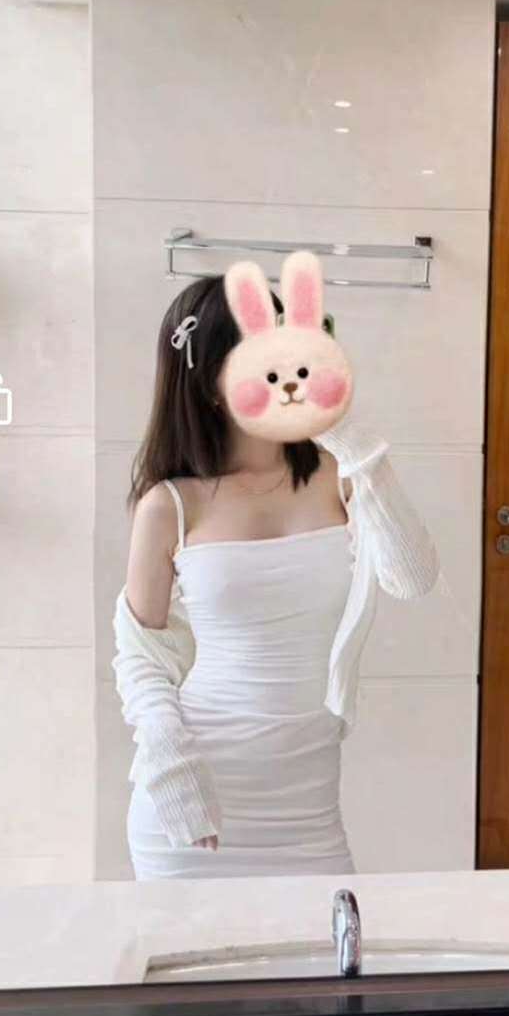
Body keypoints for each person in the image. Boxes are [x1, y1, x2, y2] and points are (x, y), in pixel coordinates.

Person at [113, 273, 439, 879]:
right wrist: (168, 756)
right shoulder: (170, 504)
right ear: (211, 385)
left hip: (307, 810)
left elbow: (413, 577)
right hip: (195, 799)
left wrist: (345, 435)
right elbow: (142, 655)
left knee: (327, 940)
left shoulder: (342, 473)